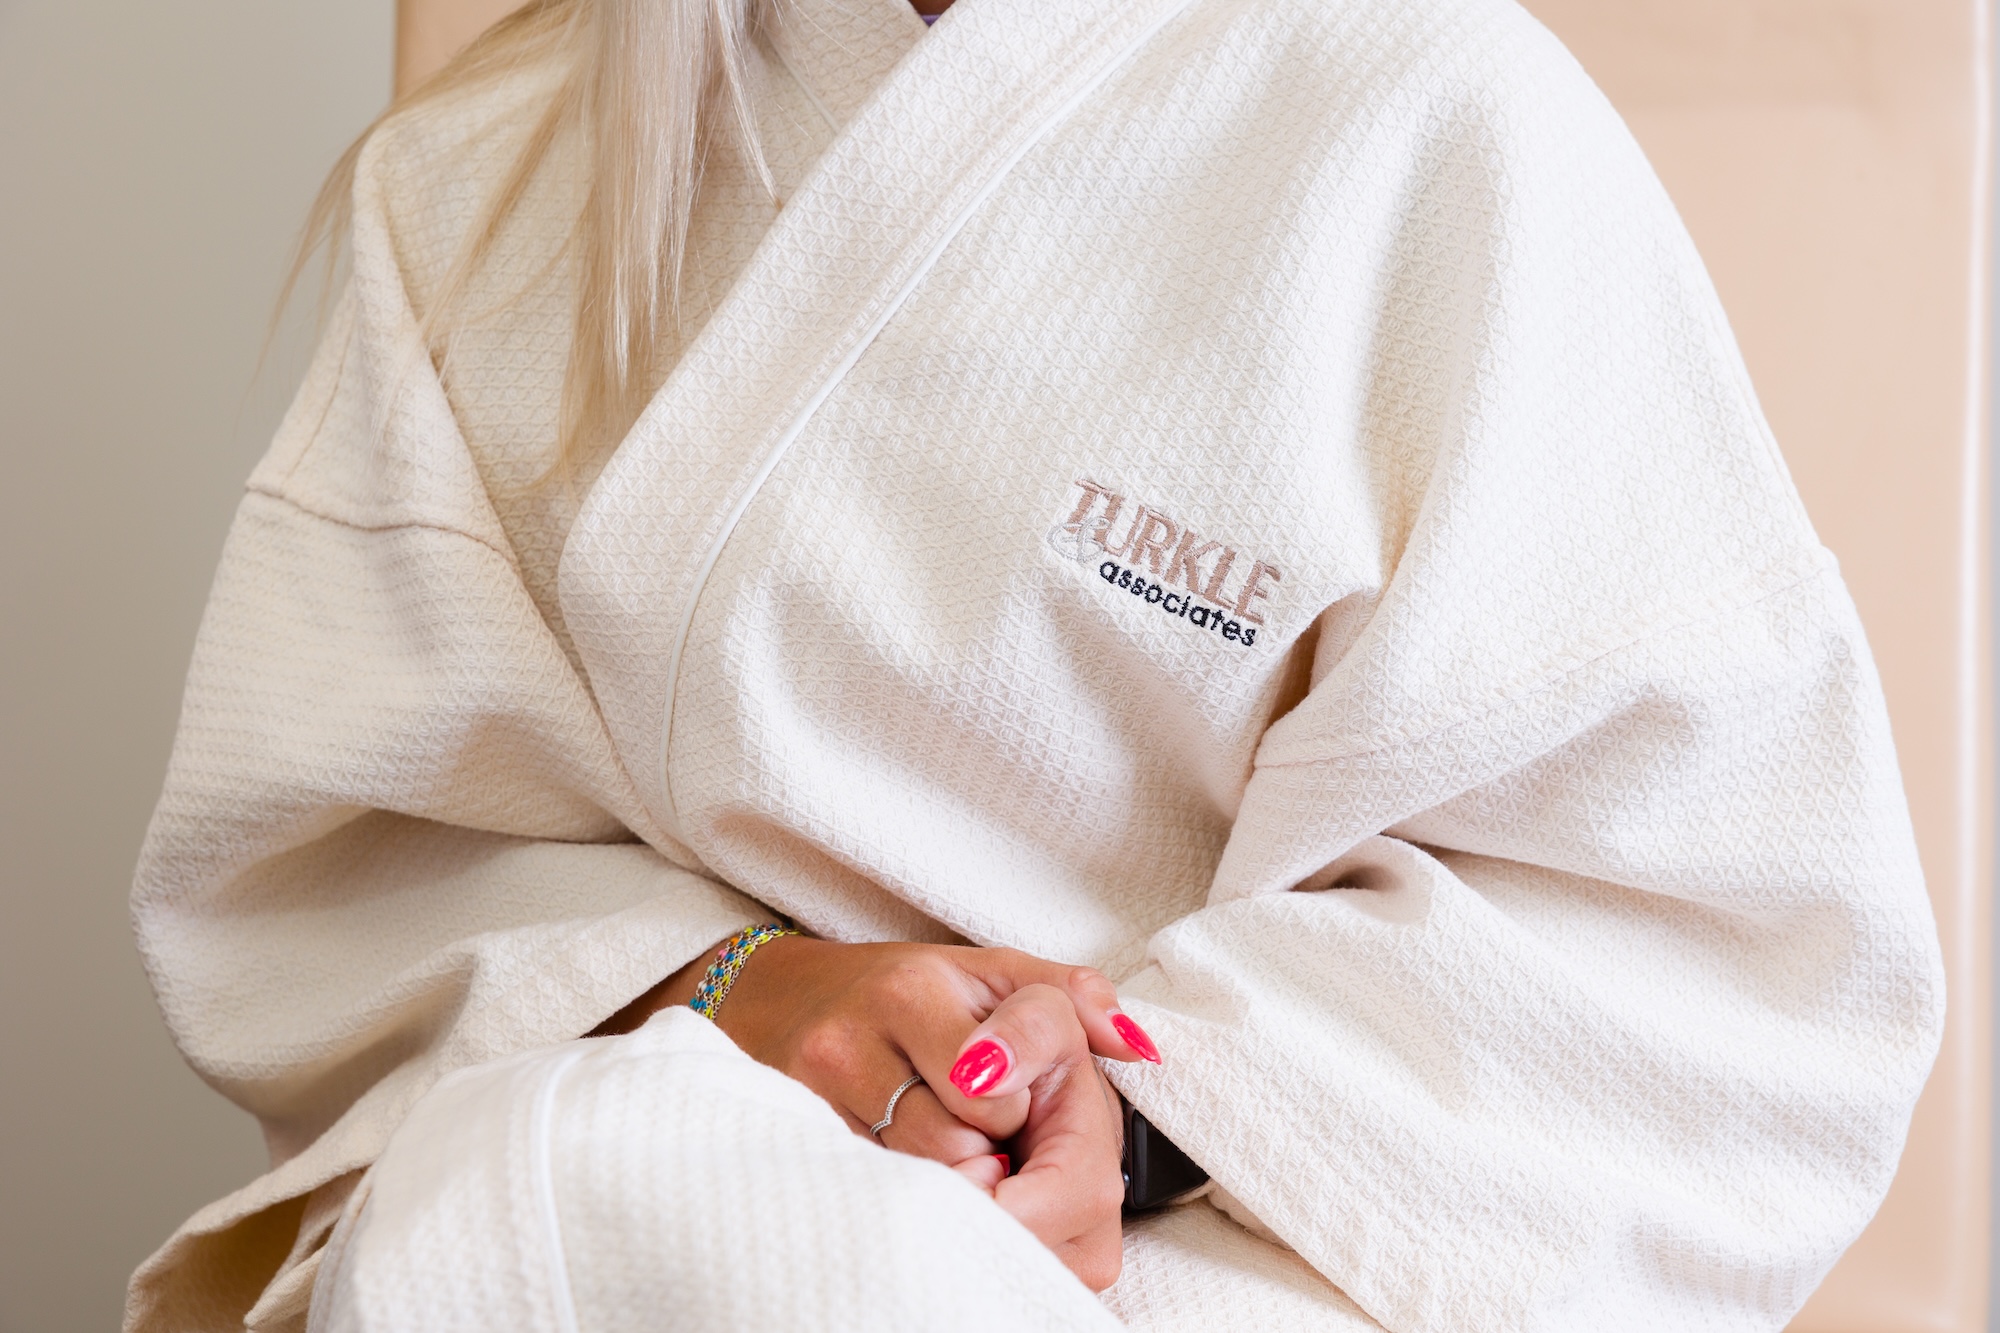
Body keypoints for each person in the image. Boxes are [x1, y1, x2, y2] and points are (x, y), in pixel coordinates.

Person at [126, 0, 1945, 1326]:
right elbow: (347, 858)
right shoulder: (497, 181)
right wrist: (740, 992)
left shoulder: (1448, 127)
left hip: (1228, 1239)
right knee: (589, 1204)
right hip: (629, 1167)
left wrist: (1131, 1105)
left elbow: (1724, 948)